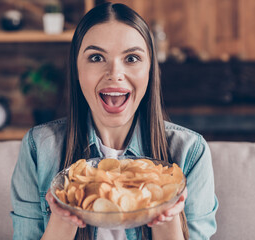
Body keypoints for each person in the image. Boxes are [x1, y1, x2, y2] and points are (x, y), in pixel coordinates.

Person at [11, 2, 218, 240]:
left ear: (150, 69)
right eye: (97, 57)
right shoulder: (38, 148)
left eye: (131, 58)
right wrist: (63, 218)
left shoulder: (191, 152)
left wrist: (166, 219)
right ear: (77, 68)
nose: (115, 73)